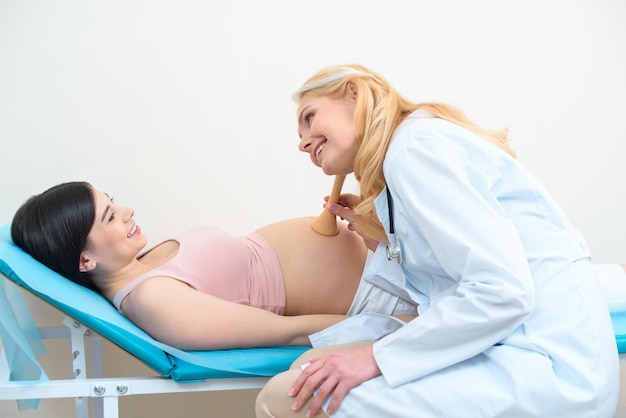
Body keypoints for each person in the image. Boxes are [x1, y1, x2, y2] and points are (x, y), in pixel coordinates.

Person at [255, 64, 621, 418]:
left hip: (546, 369)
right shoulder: (413, 150)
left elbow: (502, 291)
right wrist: (381, 241)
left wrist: (374, 357)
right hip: (533, 352)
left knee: (287, 398)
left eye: (309, 117)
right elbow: (449, 287)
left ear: (353, 94)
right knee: (309, 367)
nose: (303, 143)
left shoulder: (414, 150)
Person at [10, 181, 418, 351]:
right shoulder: (154, 300)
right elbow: (289, 332)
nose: (128, 211)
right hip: (380, 296)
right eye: (111, 217)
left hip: (383, 261)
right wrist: (401, 323)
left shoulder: (141, 267)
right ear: (85, 259)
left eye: (114, 203)